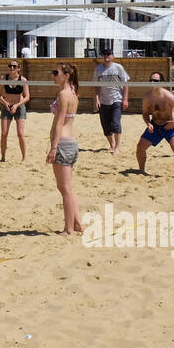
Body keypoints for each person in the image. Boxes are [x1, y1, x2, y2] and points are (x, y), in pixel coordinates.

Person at [46, 64, 83, 235]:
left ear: (66, 75)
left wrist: (53, 147)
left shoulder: (63, 94)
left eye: (56, 73)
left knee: (65, 188)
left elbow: (60, 122)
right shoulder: (72, 91)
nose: (52, 75)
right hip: (70, 142)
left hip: (63, 143)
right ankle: (77, 224)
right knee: (65, 188)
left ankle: (69, 229)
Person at [134, 72, 174, 177]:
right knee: (140, 147)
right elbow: (145, 113)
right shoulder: (147, 97)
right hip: (155, 126)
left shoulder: (167, 95)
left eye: (156, 81)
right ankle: (141, 170)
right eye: (151, 80)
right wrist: (148, 123)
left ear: (162, 82)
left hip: (170, 126)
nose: (153, 83)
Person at [92, 48, 129, 154]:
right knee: (106, 125)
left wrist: (125, 99)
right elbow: (96, 86)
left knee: (116, 123)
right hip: (103, 100)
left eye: (108, 54)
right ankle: (112, 145)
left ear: (113, 56)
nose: (106, 56)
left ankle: (117, 147)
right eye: (104, 54)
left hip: (117, 99)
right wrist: (96, 99)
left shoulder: (118, 67)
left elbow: (126, 84)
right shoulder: (98, 69)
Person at [0, 60, 29, 161]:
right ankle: (2, 157)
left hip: (19, 107)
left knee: (20, 133)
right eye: (10, 66)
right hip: (7, 107)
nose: (11, 68)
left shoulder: (23, 80)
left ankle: (24, 158)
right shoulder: (4, 78)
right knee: (4, 133)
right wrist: (5, 103)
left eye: (14, 66)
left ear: (18, 68)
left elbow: (27, 97)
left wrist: (17, 105)